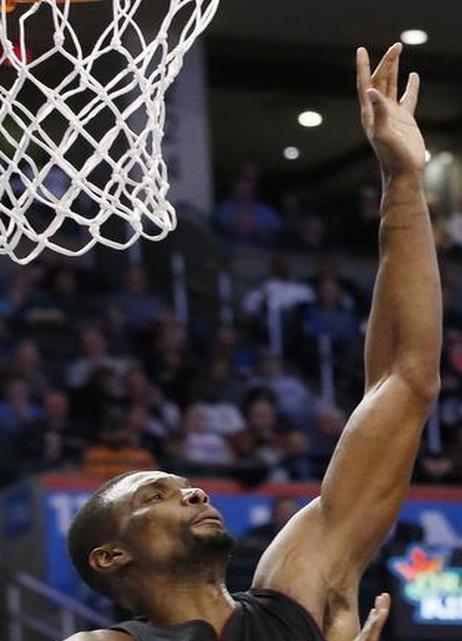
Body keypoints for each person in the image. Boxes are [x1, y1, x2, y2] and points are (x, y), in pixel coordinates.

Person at [61, 42, 440, 641]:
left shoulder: (295, 597)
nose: (192, 491)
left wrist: (403, 182)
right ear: (110, 556)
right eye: (155, 496)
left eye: (182, 485)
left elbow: (404, 377)